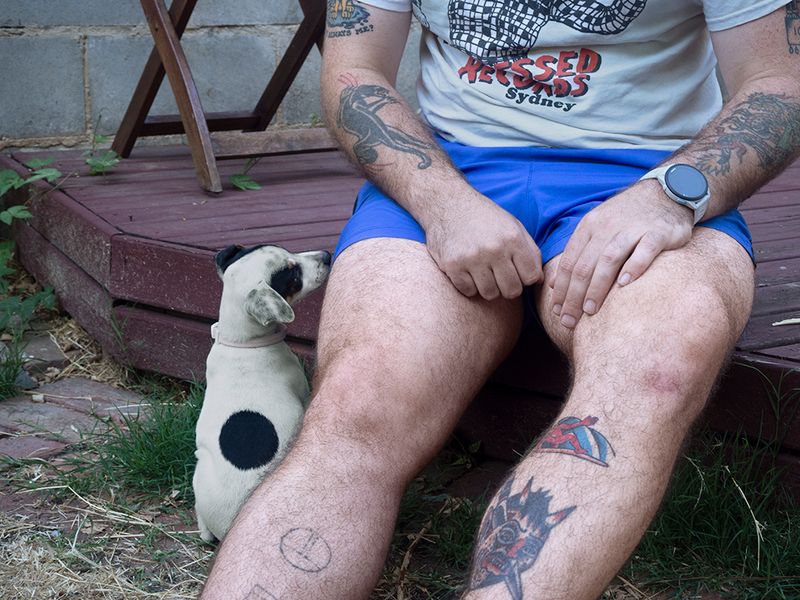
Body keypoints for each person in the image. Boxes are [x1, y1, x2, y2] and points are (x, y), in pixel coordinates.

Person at [202, 0, 800, 598]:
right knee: (362, 398)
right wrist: (442, 203)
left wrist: (673, 195)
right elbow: (354, 69)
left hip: (649, 173)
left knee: (656, 369)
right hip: (446, 166)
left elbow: (779, 81)